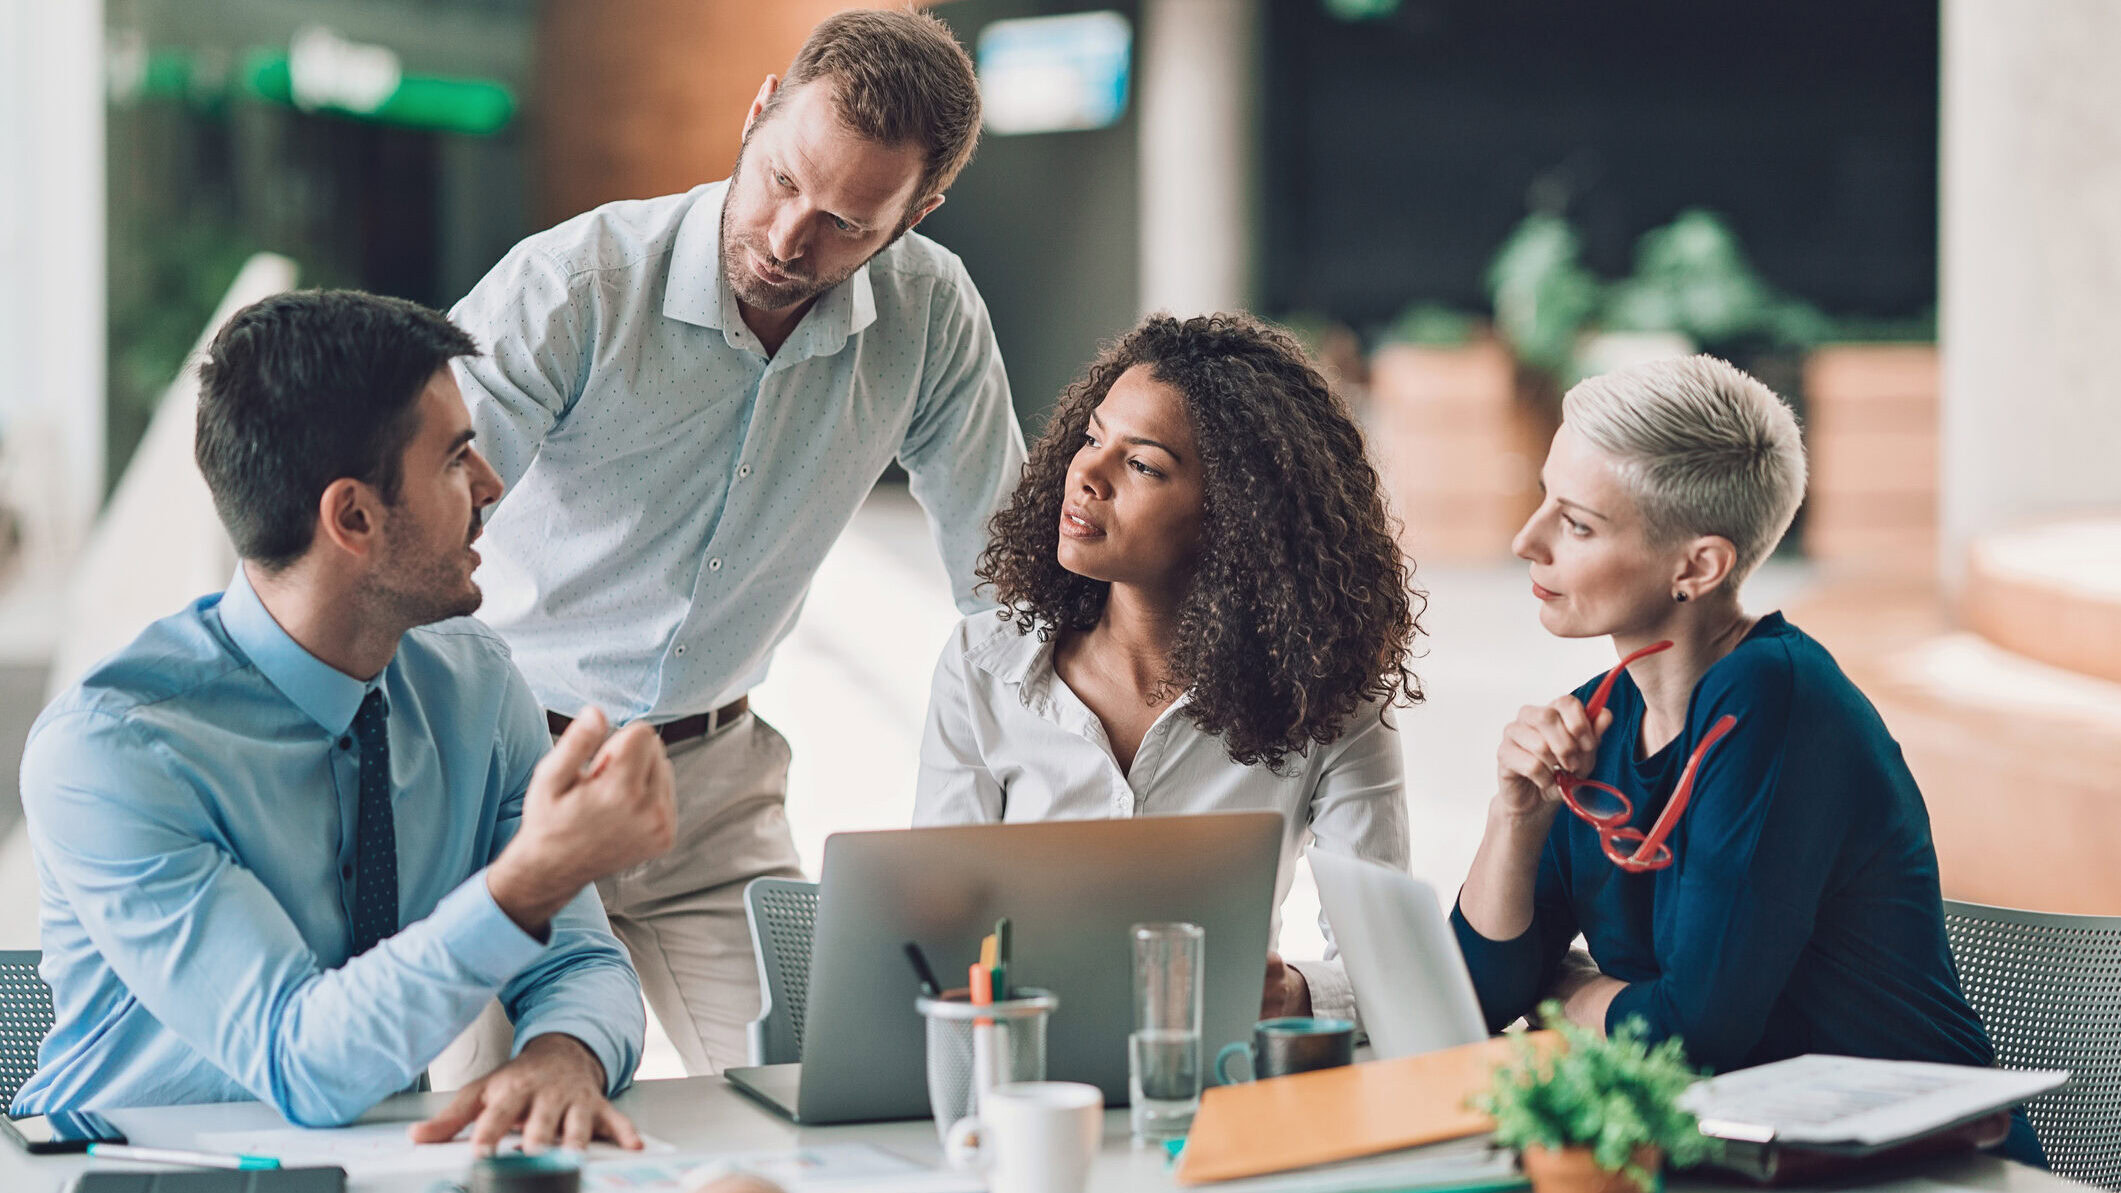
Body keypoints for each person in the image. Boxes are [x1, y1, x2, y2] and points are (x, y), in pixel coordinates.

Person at [445, 7, 1025, 1077]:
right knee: (484, 1133)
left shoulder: (932, 317)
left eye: (849, 222)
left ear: (919, 212)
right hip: (503, 777)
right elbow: (416, 529)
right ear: (759, 112)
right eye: (782, 180)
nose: (791, 237)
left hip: (713, 799)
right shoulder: (574, 287)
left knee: (826, 1097)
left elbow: (1010, 589)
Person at [14, 290, 676, 1154]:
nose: (492, 485)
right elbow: (299, 1061)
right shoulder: (112, 750)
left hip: (373, 1164)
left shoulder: (475, 685)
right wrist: (528, 881)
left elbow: (580, 961)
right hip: (125, 1171)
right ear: (353, 517)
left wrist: (562, 1053)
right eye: (455, 458)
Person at [1450, 355, 2043, 1166]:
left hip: (1923, 1169)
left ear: (1697, 566)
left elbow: (1696, 1032)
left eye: (1577, 524)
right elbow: (1477, 996)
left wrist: (1565, 991)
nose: (1526, 540)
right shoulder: (1602, 713)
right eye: (1543, 499)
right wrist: (1514, 819)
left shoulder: (1777, 700)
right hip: (1736, 1160)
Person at [914, 313, 1422, 1022]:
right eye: (1092, 437)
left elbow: (1390, 959)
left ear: (1234, 517)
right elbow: (931, 937)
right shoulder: (982, 666)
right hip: (1019, 1084)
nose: (1085, 472)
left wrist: (1299, 993)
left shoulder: (1329, 697)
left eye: (1142, 464)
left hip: (1213, 1086)